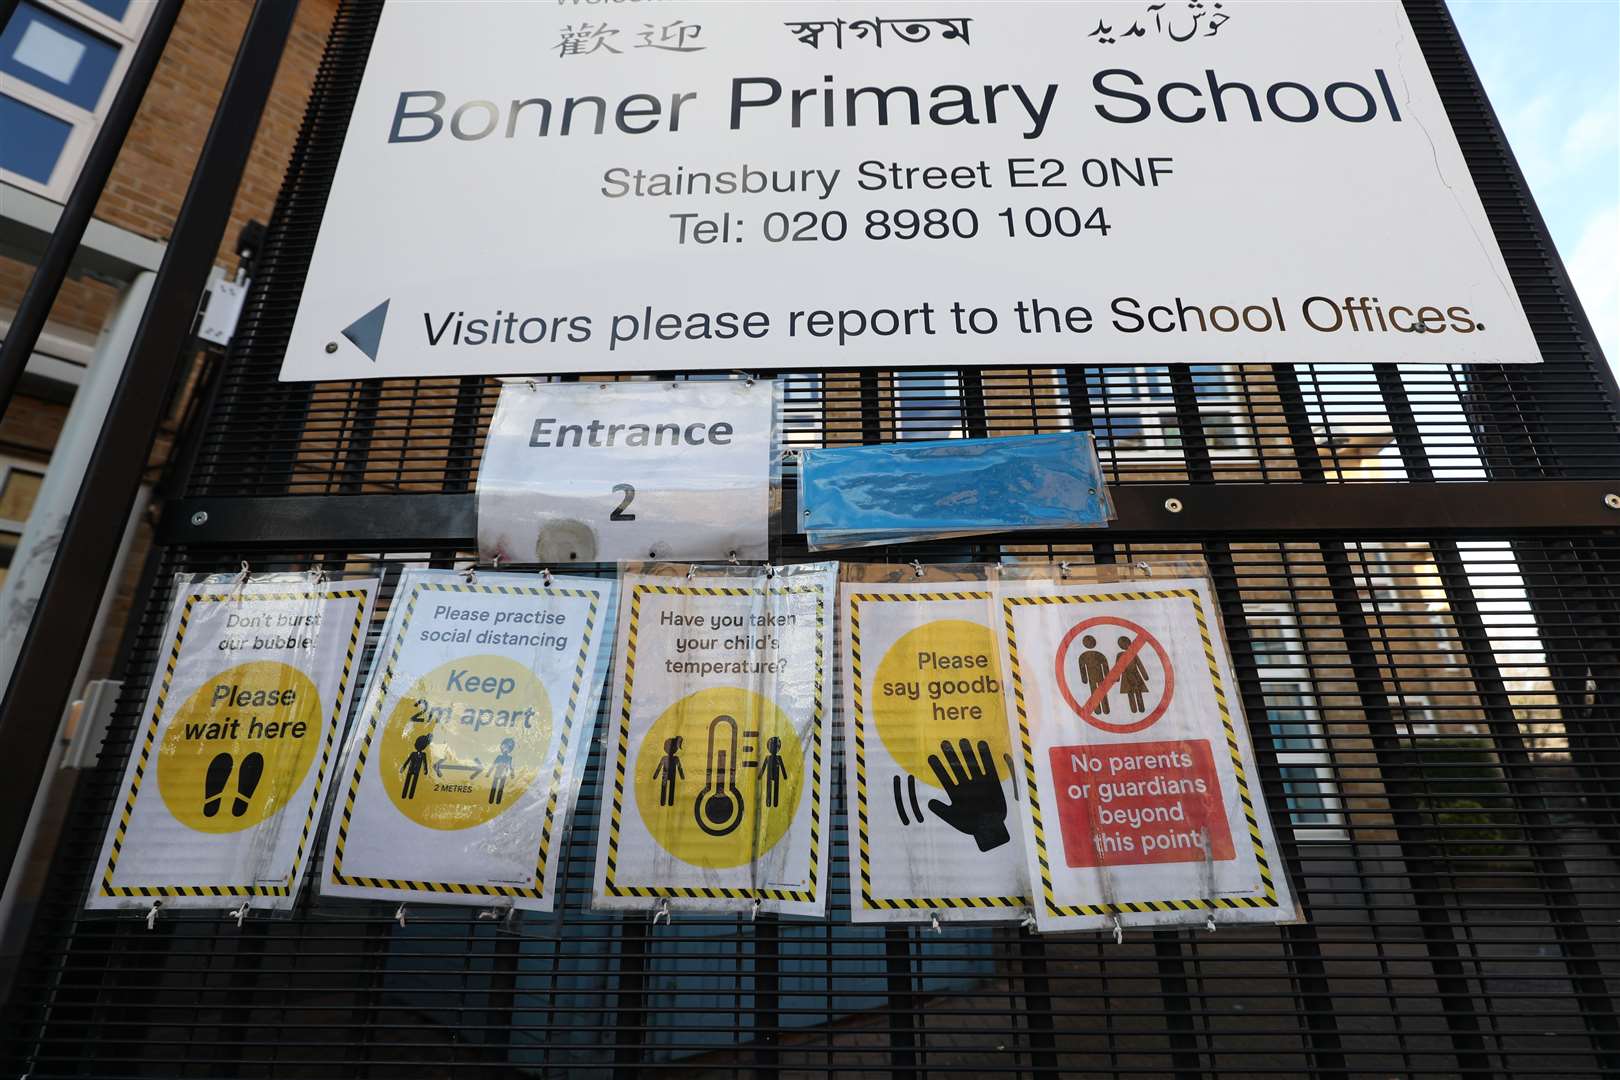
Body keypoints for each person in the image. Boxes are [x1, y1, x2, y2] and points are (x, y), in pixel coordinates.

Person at [1076, 634, 1112, 714]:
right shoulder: (1084, 656)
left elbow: (1105, 665)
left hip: (1099, 677)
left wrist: (1108, 676)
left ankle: (1105, 709)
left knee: (1101, 692)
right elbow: (1082, 668)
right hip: (1092, 677)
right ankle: (1098, 709)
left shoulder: (1098, 655)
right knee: (1095, 692)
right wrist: (1084, 679)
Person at [1117, 635, 1152, 713]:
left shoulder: (1133, 654)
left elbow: (1140, 665)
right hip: (1126, 676)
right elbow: (1118, 668)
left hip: (1135, 675)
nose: (1124, 646)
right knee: (1130, 693)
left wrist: (1145, 676)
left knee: (1138, 692)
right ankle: (1134, 710)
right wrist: (1117, 678)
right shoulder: (1119, 655)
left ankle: (1141, 708)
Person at [653, 736, 683, 806]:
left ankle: (670, 802)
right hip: (665, 775)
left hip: (671, 775)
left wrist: (682, 776)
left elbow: (679, 767)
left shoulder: (676, 758)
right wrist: (655, 775)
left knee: (671, 789)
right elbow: (659, 767)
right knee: (664, 788)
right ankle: (663, 802)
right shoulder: (664, 758)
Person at [760, 735, 789, 809]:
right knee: (769, 789)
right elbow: (763, 766)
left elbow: (782, 766)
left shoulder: (778, 757)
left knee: (776, 789)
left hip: (776, 775)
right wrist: (760, 775)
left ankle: (775, 803)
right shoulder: (768, 757)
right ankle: (768, 802)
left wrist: (785, 776)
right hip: (769, 775)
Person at [401, 733, 431, 799]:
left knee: (414, 784)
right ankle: (404, 795)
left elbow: (425, 763)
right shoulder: (413, 753)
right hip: (410, 769)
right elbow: (408, 760)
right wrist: (403, 767)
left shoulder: (423, 755)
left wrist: (425, 770)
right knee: (407, 782)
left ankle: (411, 796)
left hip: (417, 771)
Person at [489, 737, 515, 805]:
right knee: (494, 787)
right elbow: (493, 765)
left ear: (510, 749)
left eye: (508, 747)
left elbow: (511, 766)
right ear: (502, 748)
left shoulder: (510, 758)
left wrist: (512, 774)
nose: (506, 749)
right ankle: (491, 800)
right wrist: (489, 772)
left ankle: (498, 801)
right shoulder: (499, 757)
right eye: (505, 747)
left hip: (504, 775)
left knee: (500, 788)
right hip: (497, 773)